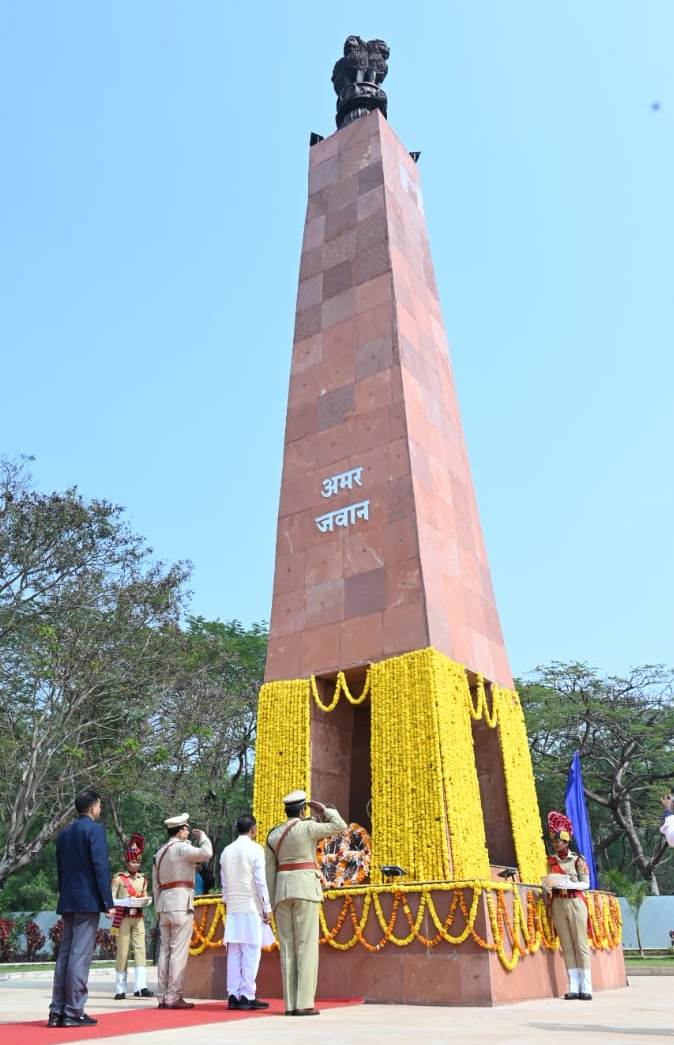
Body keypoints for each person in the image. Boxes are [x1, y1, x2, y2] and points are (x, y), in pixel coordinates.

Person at [265, 790, 346, 1016]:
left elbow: (269, 872)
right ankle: (304, 1003)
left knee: (288, 949)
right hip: (305, 889)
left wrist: (272, 901)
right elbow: (341, 826)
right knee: (306, 946)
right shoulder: (308, 827)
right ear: (303, 810)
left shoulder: (273, 834)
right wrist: (324, 810)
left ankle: (290, 1005)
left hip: (282, 891)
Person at [47, 787, 115, 1029]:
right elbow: (100, 867)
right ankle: (74, 1011)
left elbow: (61, 869)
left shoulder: (65, 834)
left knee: (65, 954)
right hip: (87, 901)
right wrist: (108, 901)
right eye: (99, 805)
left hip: (69, 899)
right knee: (80, 955)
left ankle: (57, 1011)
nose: (100, 809)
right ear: (93, 807)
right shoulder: (94, 830)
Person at [152, 812, 212, 1009]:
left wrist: (157, 908)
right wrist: (203, 837)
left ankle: (162, 995)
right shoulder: (181, 848)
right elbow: (206, 853)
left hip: (164, 903)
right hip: (180, 902)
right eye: (186, 828)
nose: (188, 831)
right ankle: (173, 996)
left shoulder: (159, 852)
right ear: (180, 831)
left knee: (164, 951)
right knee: (178, 951)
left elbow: (155, 885)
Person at [220, 813, 272, 1011]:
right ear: (253, 829)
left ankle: (233, 995)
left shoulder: (226, 851)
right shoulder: (255, 849)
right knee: (250, 953)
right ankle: (247, 995)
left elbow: (224, 883)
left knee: (234, 953)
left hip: (233, 908)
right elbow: (260, 882)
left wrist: (228, 902)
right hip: (251, 909)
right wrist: (267, 907)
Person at [545, 810, 592, 1000]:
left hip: (575, 901)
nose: (556, 844)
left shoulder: (578, 860)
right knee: (567, 945)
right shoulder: (550, 861)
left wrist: (569, 883)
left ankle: (586, 986)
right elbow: (549, 880)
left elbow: (586, 883)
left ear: (566, 841)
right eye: (554, 842)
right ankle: (573, 985)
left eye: (559, 841)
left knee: (580, 944)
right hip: (558, 902)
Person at [111, 833, 153, 999]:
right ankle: (120, 988)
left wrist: (145, 900)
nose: (136, 865)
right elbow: (111, 899)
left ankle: (141, 986)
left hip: (139, 918)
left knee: (140, 951)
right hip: (123, 918)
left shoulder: (143, 879)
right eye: (133, 861)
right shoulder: (119, 879)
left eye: (138, 862)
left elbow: (145, 895)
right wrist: (125, 901)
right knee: (122, 952)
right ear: (127, 862)